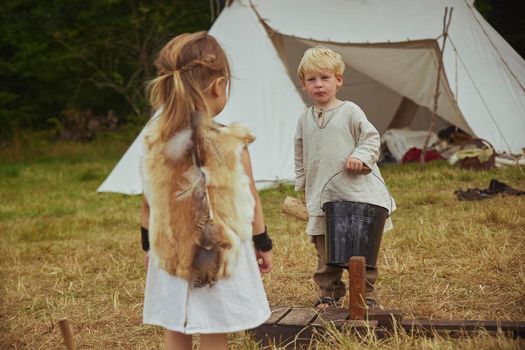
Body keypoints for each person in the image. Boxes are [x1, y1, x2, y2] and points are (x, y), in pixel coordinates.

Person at [139, 31, 273, 350]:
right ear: (218, 86)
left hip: (171, 252)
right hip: (218, 255)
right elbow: (250, 199)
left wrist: (148, 247)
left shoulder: (153, 144)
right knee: (216, 329)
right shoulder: (231, 143)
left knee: (177, 324)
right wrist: (262, 242)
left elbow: (147, 206)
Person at [294, 46, 395, 310]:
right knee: (325, 250)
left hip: (356, 196)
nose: (318, 85)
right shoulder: (304, 118)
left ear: (338, 80)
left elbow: (371, 138)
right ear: (304, 84)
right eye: (311, 79)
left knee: (361, 250)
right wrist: (302, 185)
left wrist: (360, 156)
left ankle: (365, 295)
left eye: (324, 78)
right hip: (322, 196)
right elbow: (300, 154)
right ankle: (328, 292)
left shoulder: (350, 111)